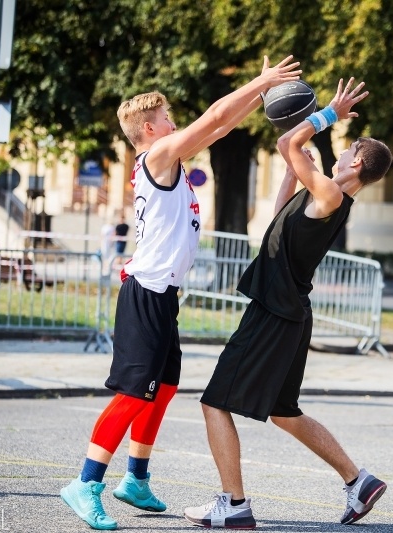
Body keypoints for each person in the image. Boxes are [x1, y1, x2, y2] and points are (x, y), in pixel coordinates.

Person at [59, 55, 301, 530]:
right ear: (150, 128)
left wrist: (262, 96)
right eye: (168, 117)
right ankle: (85, 484)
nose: (175, 123)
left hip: (163, 297)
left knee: (163, 388)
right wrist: (263, 80)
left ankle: (136, 480)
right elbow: (212, 118)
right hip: (144, 294)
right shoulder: (157, 156)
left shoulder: (171, 159)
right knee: (132, 393)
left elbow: (221, 125)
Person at [184, 77, 392, 529]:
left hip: (274, 313)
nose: (336, 154)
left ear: (356, 160)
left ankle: (233, 504)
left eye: (345, 150)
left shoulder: (332, 195)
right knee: (283, 411)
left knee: (214, 402)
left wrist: (330, 113)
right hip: (289, 312)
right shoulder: (320, 194)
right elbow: (277, 217)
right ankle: (358, 482)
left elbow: (286, 139)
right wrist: (288, 171)